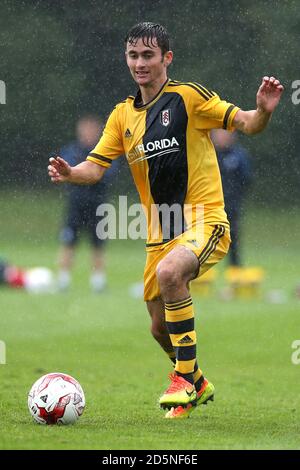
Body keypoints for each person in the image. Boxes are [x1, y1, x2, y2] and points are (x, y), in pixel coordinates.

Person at [48, 22, 283, 418]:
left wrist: (262, 110)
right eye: (133, 55)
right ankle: (198, 381)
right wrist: (71, 173)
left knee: (172, 273)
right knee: (159, 329)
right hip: (159, 236)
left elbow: (245, 122)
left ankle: (183, 380)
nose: (140, 63)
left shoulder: (188, 98)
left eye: (148, 55)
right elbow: (95, 166)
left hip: (204, 221)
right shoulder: (123, 116)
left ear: (166, 58)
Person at [56, 115, 111, 292]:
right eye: (85, 129)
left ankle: (98, 281)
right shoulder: (70, 151)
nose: (88, 133)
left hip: (98, 205)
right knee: (69, 241)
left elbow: (108, 175)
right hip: (76, 204)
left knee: (98, 243)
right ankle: (63, 280)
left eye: (91, 129)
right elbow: (64, 173)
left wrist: (89, 175)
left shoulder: (104, 151)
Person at [212, 129, 252, 266]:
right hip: (208, 205)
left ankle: (234, 271)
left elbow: (246, 179)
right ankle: (203, 274)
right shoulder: (208, 153)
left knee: (232, 236)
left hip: (231, 205)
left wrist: (234, 196)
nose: (222, 137)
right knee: (203, 237)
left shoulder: (239, 155)